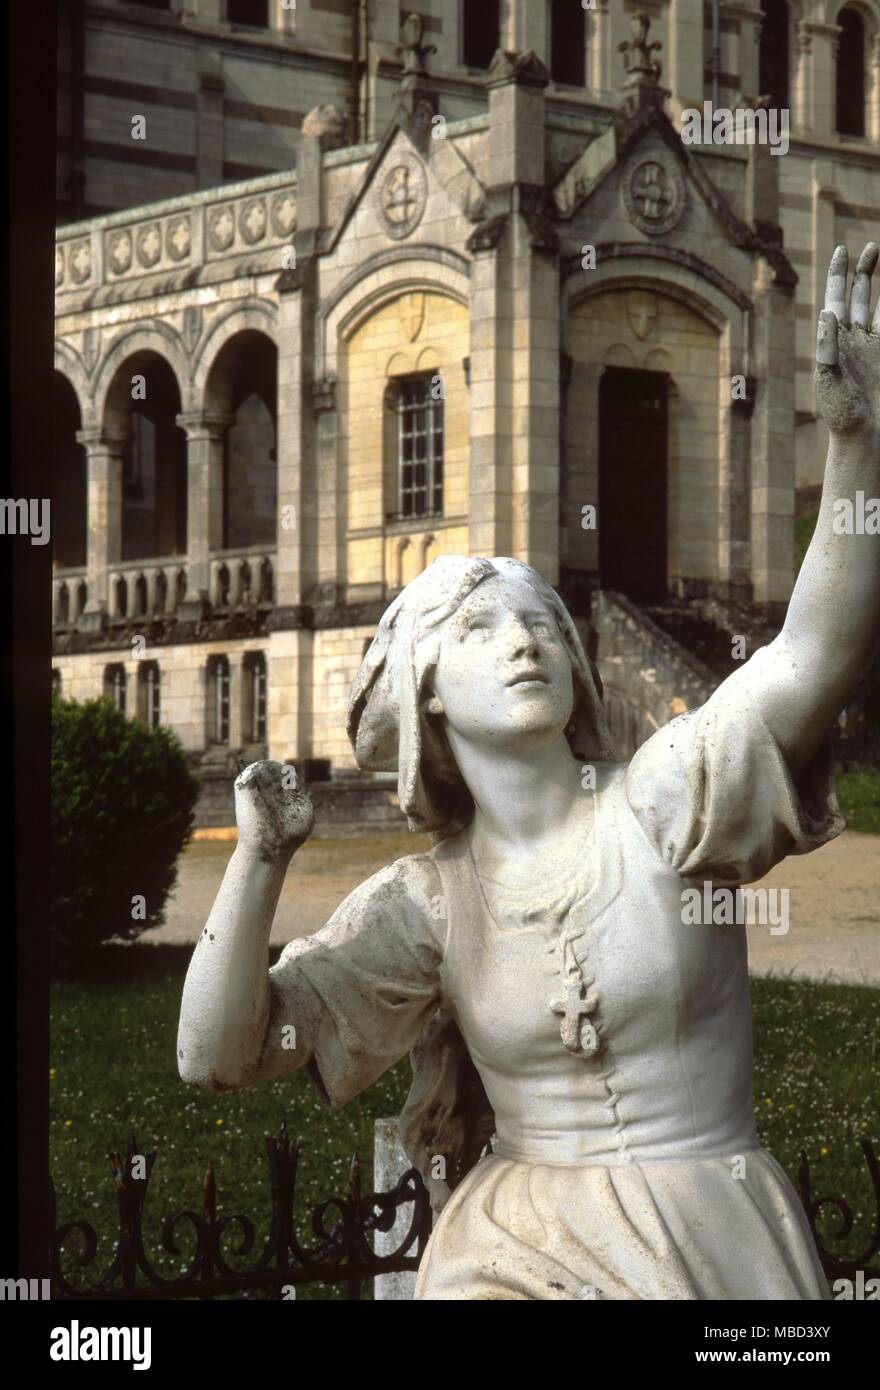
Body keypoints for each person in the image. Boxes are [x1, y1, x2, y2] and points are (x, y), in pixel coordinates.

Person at [178, 244, 880, 1299]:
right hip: (512, 1252)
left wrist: (859, 449)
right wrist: (260, 860)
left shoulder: (663, 798)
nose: (522, 641)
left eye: (538, 621)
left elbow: (813, 652)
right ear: (427, 698)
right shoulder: (427, 904)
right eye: (477, 628)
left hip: (706, 1233)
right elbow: (217, 1053)